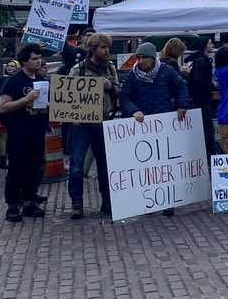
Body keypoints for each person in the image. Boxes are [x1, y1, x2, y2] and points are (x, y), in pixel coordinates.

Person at [120, 40, 190, 217]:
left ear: (153, 58)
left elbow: (181, 86)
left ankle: (168, 201)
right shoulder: (132, 76)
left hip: (164, 126)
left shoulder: (166, 72)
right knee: (146, 168)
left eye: (144, 57)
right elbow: (125, 97)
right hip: (143, 127)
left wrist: (182, 105)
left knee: (165, 166)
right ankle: (148, 200)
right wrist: (133, 110)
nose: (141, 61)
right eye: (139, 57)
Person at [68, 32, 122, 218]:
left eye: (108, 47)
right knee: (76, 165)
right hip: (82, 124)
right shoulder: (78, 70)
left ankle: (107, 201)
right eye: (103, 48)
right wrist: (73, 115)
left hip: (103, 122)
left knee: (105, 165)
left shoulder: (111, 68)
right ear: (93, 49)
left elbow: (117, 92)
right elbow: (68, 97)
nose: (107, 51)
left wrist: (109, 87)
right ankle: (77, 203)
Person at [0, 43, 50, 223]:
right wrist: (26, 99)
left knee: (32, 168)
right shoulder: (13, 80)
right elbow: (3, 107)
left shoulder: (40, 80)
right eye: (34, 59)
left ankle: (29, 201)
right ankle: (12, 204)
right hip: (19, 133)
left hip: (36, 132)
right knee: (16, 169)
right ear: (24, 61)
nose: (38, 62)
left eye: (39, 58)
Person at [183, 37, 217, 160]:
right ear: (204, 46)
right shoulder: (202, 61)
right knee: (207, 131)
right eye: (210, 43)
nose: (212, 45)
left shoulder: (196, 60)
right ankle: (209, 157)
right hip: (202, 101)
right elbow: (199, 81)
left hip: (198, 100)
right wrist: (212, 85)